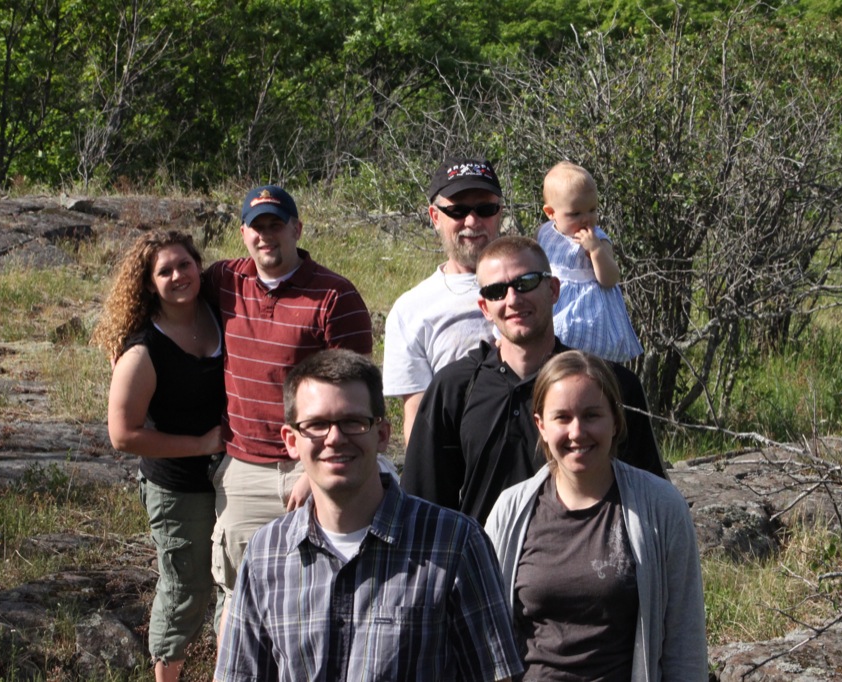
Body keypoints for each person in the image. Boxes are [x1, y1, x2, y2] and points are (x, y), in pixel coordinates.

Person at [214, 349, 522, 681]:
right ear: (291, 440)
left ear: (383, 434)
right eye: (316, 424)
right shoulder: (266, 553)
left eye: (353, 422)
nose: (334, 438)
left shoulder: (454, 544)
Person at [203, 185, 374, 635]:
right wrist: (127, 345)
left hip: (315, 464)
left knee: (321, 592)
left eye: (275, 225)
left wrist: (310, 475)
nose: (266, 236)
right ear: (243, 234)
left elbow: (357, 391)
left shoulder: (334, 296)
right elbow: (166, 298)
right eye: (256, 227)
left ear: (296, 229)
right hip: (244, 471)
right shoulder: (224, 280)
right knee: (238, 598)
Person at [402, 236, 666, 525]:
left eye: (526, 282)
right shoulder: (454, 389)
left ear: (553, 290)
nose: (513, 299)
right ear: (484, 307)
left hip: (591, 552)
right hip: (481, 553)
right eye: (496, 291)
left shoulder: (608, 386)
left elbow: (652, 502)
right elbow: (422, 509)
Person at [485, 350, 707, 681]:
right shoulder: (509, 512)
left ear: (616, 420)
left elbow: (684, 645)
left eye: (591, 415)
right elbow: (486, 642)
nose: (577, 432)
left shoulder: (661, 508)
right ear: (541, 425)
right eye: (562, 417)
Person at [93, 230, 224, 682]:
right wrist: (200, 445)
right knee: (187, 588)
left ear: (198, 266)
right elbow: (123, 435)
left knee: (236, 582)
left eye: (184, 264)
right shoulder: (143, 349)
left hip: (233, 473)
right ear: (149, 284)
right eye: (164, 271)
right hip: (177, 486)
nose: (178, 276)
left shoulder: (220, 312)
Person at [383, 157, 503, 445]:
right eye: (458, 211)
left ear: (499, 213)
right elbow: (418, 417)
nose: (472, 221)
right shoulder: (410, 310)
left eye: (485, 209)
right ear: (435, 217)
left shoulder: (535, 283)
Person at [536, 161, 643, 362]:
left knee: (588, 359)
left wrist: (595, 250)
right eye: (576, 213)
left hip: (590, 312)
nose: (586, 219)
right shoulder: (544, 234)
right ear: (551, 213)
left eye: (592, 210)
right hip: (554, 304)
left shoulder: (598, 238)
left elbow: (610, 279)